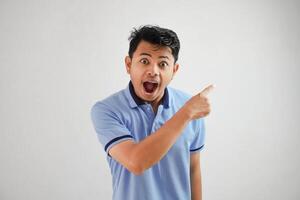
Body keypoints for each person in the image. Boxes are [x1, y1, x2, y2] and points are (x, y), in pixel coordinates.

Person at [90, 25, 214, 200]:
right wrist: (186, 113)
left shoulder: (191, 106)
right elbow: (136, 162)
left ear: (174, 70)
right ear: (128, 64)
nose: (153, 71)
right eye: (144, 61)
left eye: (163, 64)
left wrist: (188, 111)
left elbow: (193, 169)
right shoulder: (106, 110)